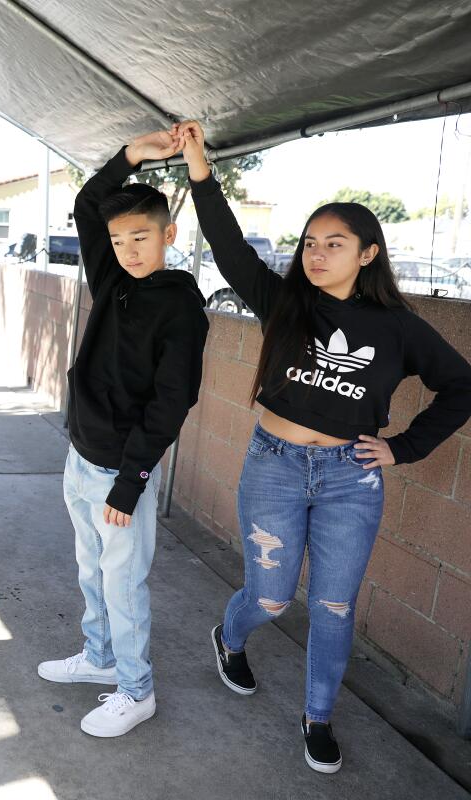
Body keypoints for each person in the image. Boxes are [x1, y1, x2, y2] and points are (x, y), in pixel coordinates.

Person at [180, 120, 471, 773]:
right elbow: (227, 244)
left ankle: (318, 717)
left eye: (334, 244)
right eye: (311, 242)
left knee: (335, 605)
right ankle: (230, 639)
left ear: (368, 253)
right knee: (273, 596)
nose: (316, 254)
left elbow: (461, 386)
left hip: (350, 476)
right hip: (275, 466)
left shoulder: (398, 328)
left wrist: (405, 448)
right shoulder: (284, 303)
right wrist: (199, 168)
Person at [38, 131, 209, 737]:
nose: (128, 249)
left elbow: (171, 403)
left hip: (120, 472)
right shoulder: (112, 278)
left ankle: (137, 691)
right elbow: (89, 204)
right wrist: (132, 156)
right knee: (91, 571)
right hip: (81, 455)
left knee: (124, 585)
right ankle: (99, 658)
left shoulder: (181, 306)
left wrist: (131, 483)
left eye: (141, 237)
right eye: (119, 240)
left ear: (168, 235)